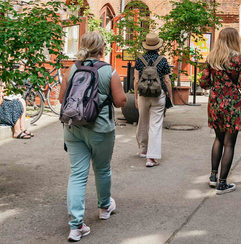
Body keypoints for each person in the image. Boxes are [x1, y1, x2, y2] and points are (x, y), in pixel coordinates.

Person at [60, 32, 128, 242]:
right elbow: (121, 101)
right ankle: (104, 206)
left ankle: (76, 226)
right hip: (100, 129)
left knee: (78, 175)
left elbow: (62, 99)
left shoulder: (72, 68)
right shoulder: (108, 71)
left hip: (73, 128)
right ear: (102, 49)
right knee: (102, 169)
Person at [199, 28, 241, 195]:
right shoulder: (239, 58)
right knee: (229, 143)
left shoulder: (212, 57)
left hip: (215, 100)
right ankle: (222, 183)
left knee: (218, 139)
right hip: (232, 102)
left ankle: (213, 176)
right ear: (235, 39)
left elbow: (204, 82)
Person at [135, 32, 173, 167]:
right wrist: (170, 96)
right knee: (155, 125)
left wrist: (135, 97)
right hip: (158, 94)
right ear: (158, 46)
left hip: (143, 95)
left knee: (143, 122)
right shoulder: (162, 60)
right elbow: (167, 80)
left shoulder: (139, 59)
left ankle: (143, 150)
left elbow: (136, 80)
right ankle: (151, 158)